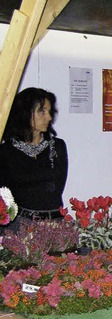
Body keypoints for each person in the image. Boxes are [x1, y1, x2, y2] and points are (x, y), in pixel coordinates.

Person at [0, 87, 68, 231]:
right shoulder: (6, 151)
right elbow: (5, 195)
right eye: (42, 111)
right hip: (20, 226)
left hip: (54, 224)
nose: (49, 117)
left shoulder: (57, 146)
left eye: (49, 112)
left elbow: (56, 188)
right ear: (24, 113)